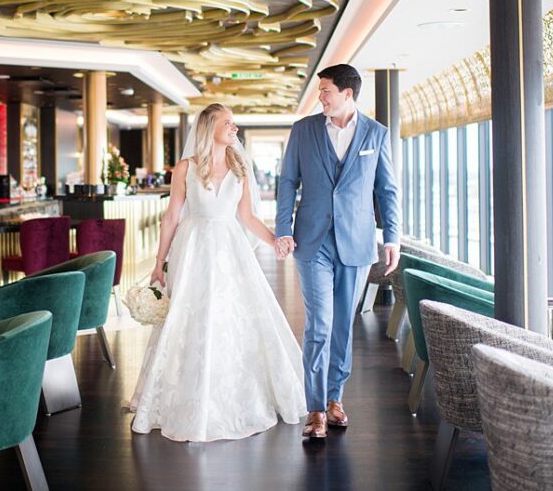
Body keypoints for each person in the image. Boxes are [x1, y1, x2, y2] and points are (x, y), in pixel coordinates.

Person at [129, 103, 306, 442]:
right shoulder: (185, 168)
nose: (234, 129)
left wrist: (276, 242)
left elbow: (249, 218)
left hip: (230, 250)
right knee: (189, 320)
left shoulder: (240, 169)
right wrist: (158, 263)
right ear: (210, 127)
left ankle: (232, 395)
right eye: (228, 123)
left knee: (231, 320)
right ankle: (183, 397)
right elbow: (171, 218)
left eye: (235, 123)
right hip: (193, 250)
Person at [275, 64, 401, 439]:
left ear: (348, 93)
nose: (320, 97)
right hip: (312, 242)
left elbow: (387, 190)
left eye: (326, 91)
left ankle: (335, 399)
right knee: (319, 325)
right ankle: (314, 408)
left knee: (343, 325)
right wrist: (283, 229)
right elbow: (287, 183)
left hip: (357, 242)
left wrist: (392, 236)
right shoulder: (303, 130)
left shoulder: (376, 134)